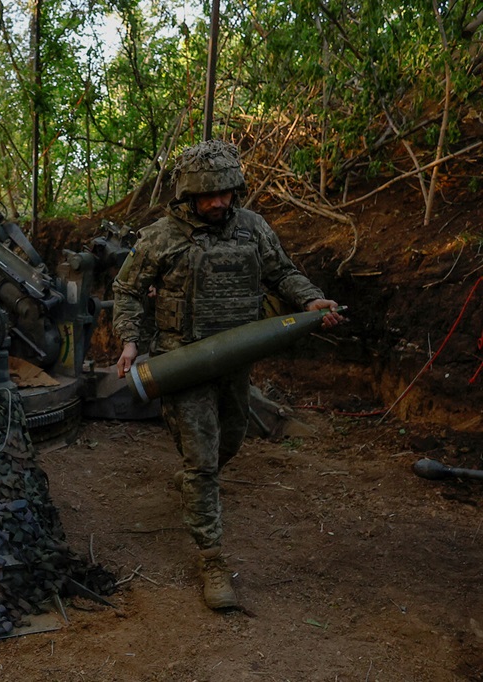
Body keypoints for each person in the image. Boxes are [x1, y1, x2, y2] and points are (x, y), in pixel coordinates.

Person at [112, 140, 344, 610]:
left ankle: (198, 482)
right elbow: (128, 291)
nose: (220, 202)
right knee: (201, 459)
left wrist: (310, 298)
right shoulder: (161, 237)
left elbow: (282, 274)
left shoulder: (253, 228)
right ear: (188, 195)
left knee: (232, 439)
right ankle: (212, 558)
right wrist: (130, 340)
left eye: (227, 192)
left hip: (235, 359)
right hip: (183, 362)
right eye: (209, 194)